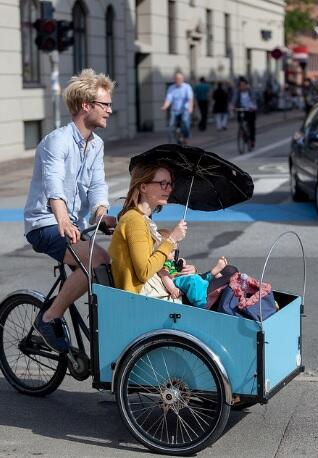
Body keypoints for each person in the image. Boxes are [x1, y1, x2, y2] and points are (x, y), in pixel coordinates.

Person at [24, 68, 116, 353]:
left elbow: (98, 185)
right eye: (105, 105)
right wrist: (62, 219)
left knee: (108, 267)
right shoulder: (57, 141)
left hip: (73, 224)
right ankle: (49, 319)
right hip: (44, 224)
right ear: (85, 106)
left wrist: (101, 215)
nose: (110, 110)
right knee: (97, 259)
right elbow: (54, 186)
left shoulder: (96, 144)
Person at [108, 163, 197, 295]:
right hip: (145, 299)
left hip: (154, 294)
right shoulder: (134, 221)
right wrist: (171, 239)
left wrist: (182, 270)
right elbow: (144, 272)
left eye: (169, 184)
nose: (169, 189)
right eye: (162, 183)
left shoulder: (142, 219)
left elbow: (158, 266)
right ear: (143, 187)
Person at [158, 233, 228, 307]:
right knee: (193, 280)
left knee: (197, 278)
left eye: (175, 251)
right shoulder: (161, 266)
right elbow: (165, 277)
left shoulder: (171, 261)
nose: (173, 253)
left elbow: (181, 266)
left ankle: (211, 276)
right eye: (171, 251)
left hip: (183, 279)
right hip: (176, 282)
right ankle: (201, 303)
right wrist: (173, 289)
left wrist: (182, 263)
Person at [161, 72, 194, 144]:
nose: (178, 80)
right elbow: (168, 99)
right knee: (171, 126)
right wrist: (164, 106)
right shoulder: (171, 88)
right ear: (174, 79)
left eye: (179, 78)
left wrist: (190, 107)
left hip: (184, 109)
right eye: (176, 79)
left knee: (185, 122)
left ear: (183, 79)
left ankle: (185, 137)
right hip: (175, 110)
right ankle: (173, 142)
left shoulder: (187, 87)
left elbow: (190, 99)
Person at [234, 77, 257, 149]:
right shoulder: (238, 92)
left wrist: (253, 106)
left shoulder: (250, 91)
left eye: (244, 85)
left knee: (251, 125)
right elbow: (234, 100)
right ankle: (244, 135)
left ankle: (252, 140)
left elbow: (254, 100)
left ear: (247, 85)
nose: (242, 87)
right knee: (241, 124)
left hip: (250, 110)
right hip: (241, 109)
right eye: (241, 85)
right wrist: (232, 106)